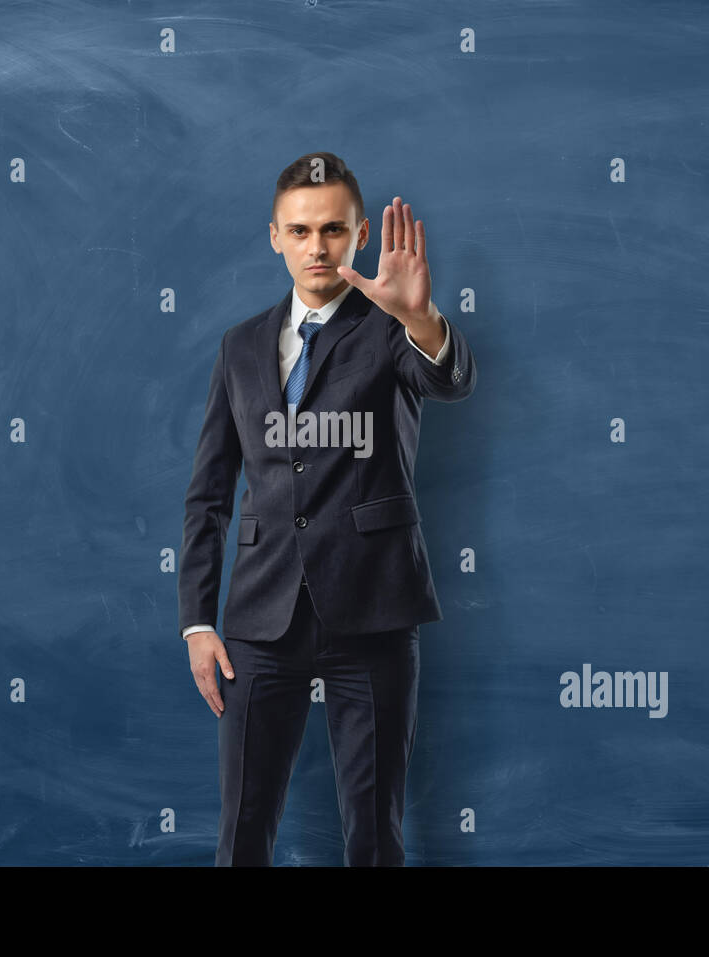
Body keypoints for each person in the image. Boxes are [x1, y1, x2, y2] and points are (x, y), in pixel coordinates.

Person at [178, 151, 477, 866]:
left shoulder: (391, 328)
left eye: (334, 229)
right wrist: (197, 619)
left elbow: (450, 378)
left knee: (374, 833)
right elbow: (209, 491)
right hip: (259, 618)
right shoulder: (240, 345)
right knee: (243, 829)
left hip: (373, 608)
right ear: (275, 236)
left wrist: (424, 319)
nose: (319, 246)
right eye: (302, 230)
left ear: (362, 233)